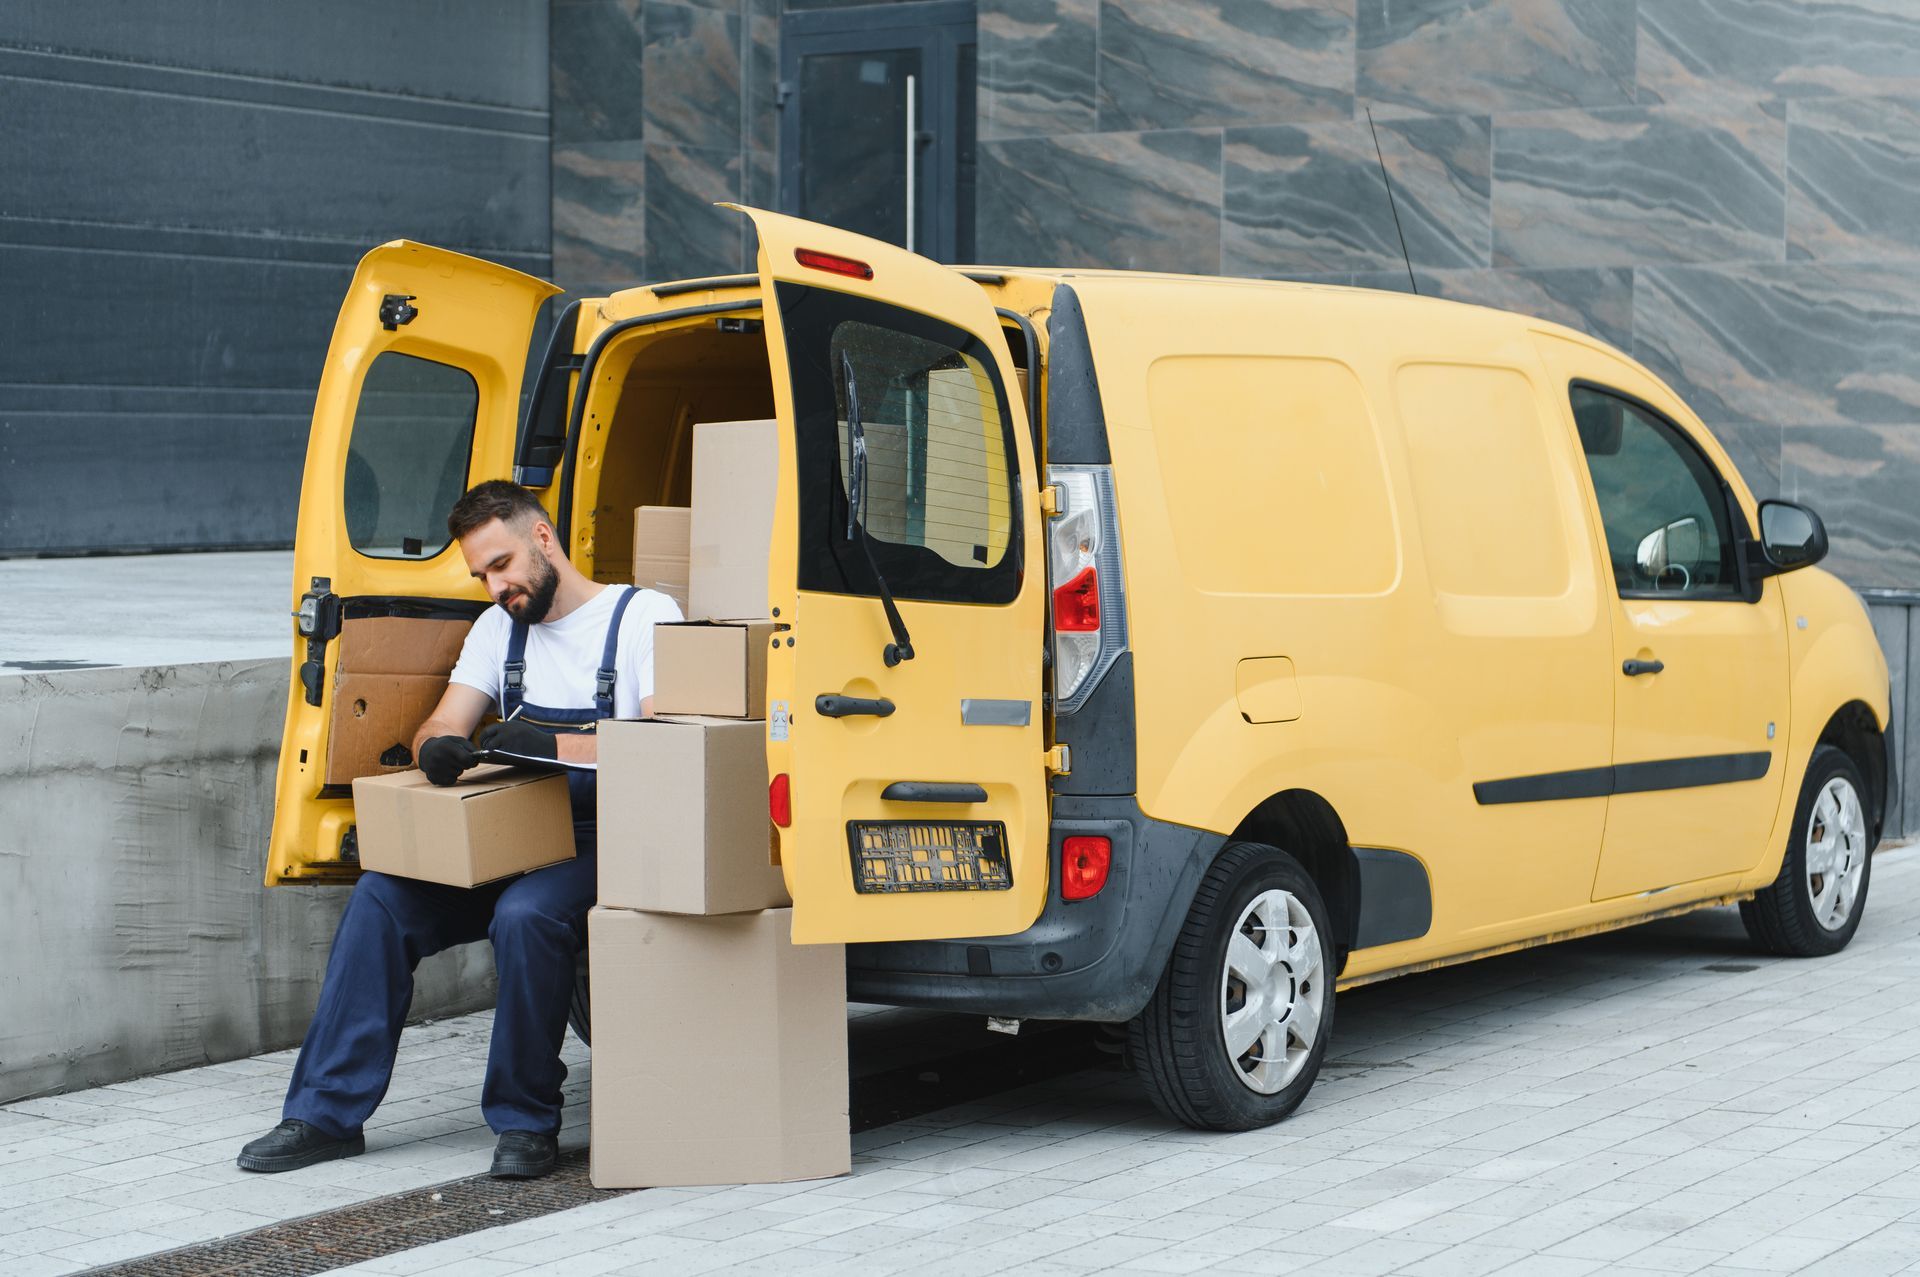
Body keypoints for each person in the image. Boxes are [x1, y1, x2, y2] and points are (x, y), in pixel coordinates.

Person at [237, 481, 682, 1179]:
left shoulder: (642, 615)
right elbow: (444, 720)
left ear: (542, 539)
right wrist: (437, 745)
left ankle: (525, 1120)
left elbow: (668, 742)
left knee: (527, 913)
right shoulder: (497, 630)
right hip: (519, 829)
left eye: (501, 565)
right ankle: (322, 1113)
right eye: (481, 574)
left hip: (613, 834)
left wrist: (550, 745)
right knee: (382, 897)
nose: (495, 586)